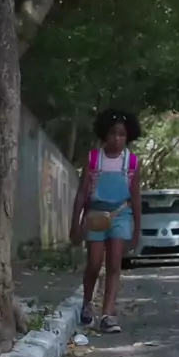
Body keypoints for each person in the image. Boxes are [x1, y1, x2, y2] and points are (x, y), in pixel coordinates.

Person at [70, 109, 141, 333]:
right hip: (96, 215)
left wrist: (137, 230)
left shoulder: (131, 162)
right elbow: (82, 193)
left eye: (122, 134)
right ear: (104, 134)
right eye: (113, 133)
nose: (117, 139)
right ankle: (87, 303)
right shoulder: (94, 159)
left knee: (114, 264)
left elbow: (136, 197)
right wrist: (75, 223)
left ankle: (108, 314)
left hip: (121, 215)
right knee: (93, 263)